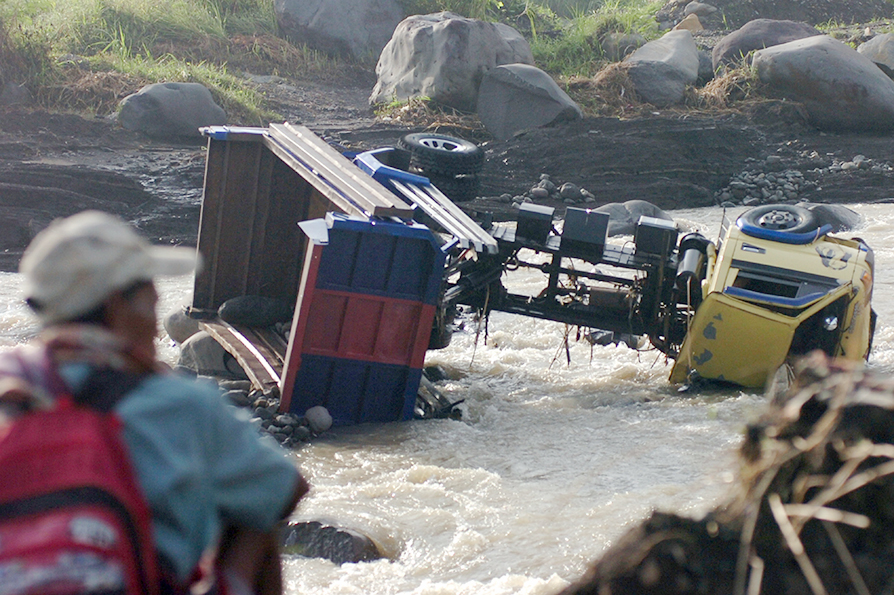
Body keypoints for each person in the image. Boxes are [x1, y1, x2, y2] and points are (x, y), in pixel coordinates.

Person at [0, 210, 309, 595]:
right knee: (255, 521)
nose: (159, 298)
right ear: (117, 303)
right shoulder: (180, 403)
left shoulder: (8, 379)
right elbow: (284, 488)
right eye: (149, 289)